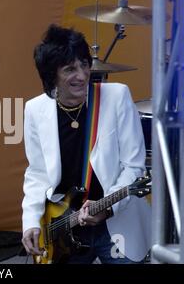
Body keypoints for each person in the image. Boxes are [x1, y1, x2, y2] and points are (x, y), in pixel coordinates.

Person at [21, 24, 151, 263]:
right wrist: (31, 220)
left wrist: (108, 207)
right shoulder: (34, 109)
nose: (81, 75)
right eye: (70, 69)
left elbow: (134, 168)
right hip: (65, 227)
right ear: (52, 76)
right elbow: (37, 173)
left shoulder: (117, 97)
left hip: (117, 225)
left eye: (84, 65)